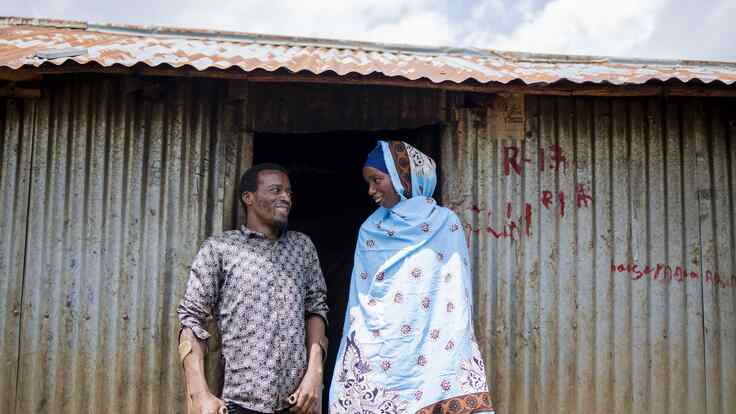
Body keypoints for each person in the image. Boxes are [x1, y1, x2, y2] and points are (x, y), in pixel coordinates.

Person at [329, 141, 494, 414]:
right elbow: (361, 301)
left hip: (436, 349)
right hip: (383, 352)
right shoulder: (371, 229)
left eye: (377, 180)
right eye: (368, 182)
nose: (371, 190)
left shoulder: (445, 223)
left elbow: (456, 298)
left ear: (403, 178)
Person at [178, 163, 329, 414]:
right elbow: (191, 321)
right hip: (241, 404)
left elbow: (316, 310)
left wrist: (315, 375)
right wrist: (200, 395)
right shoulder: (221, 249)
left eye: (289, 192)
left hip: (298, 404)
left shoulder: (302, 247)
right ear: (248, 198)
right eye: (276, 190)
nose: (286, 198)